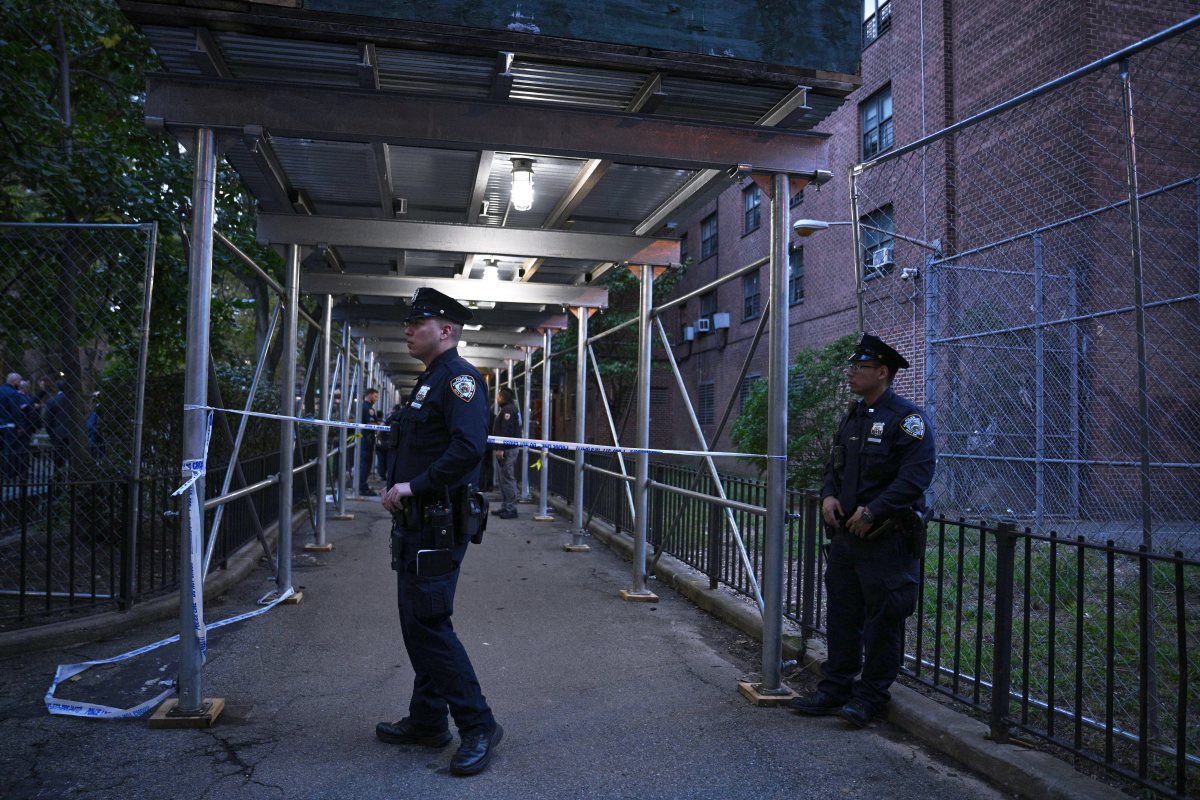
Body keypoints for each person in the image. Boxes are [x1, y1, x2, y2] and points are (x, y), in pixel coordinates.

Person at [377, 287, 501, 776]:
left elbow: (469, 447)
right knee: (418, 621)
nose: (407, 330)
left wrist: (415, 485)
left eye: (418, 323)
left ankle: (478, 724)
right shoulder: (431, 380)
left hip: (437, 521)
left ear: (446, 330)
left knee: (428, 623)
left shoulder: (460, 380)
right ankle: (428, 720)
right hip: (420, 522)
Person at [790, 334, 936, 728]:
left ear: (882, 373)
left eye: (860, 367)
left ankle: (870, 698)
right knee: (842, 613)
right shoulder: (853, 416)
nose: (851, 373)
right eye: (851, 366)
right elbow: (832, 466)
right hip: (846, 538)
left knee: (883, 620)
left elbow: (915, 478)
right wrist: (827, 496)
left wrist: (874, 511)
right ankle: (834, 687)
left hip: (886, 540)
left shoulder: (908, 420)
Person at [490, 386, 522, 519]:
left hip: (507, 449)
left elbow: (506, 430)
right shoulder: (511, 409)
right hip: (508, 448)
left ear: (502, 397)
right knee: (504, 478)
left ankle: (511, 508)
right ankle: (506, 506)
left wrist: (501, 448)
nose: (497, 399)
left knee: (507, 478)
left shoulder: (508, 410)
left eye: (498, 396)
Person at [359, 387, 379, 495]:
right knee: (366, 464)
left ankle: (362, 485)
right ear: (369, 395)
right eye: (375, 396)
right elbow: (371, 424)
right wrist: (381, 426)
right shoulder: (369, 409)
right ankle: (362, 487)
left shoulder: (364, 406)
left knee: (365, 464)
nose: (376, 399)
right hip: (367, 440)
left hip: (364, 439)